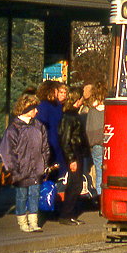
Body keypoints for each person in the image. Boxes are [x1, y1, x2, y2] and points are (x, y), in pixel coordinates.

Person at [0, 93, 50, 233]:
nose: (37, 111)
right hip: (20, 170)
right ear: (27, 109)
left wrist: (44, 164)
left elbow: (45, 147)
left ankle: (34, 222)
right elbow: (7, 150)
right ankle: (22, 222)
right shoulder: (14, 128)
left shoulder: (39, 126)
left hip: (36, 169)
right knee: (21, 196)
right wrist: (13, 168)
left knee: (34, 195)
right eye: (34, 109)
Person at [57, 88, 87, 225]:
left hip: (76, 152)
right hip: (73, 153)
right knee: (74, 184)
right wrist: (71, 159)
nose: (82, 100)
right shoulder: (69, 117)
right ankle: (66, 214)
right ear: (77, 100)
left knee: (76, 184)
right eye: (81, 98)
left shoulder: (72, 115)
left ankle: (70, 213)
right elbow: (66, 140)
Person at [35, 79, 68, 177]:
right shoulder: (46, 106)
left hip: (54, 143)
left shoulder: (53, 106)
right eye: (56, 90)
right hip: (50, 144)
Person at [83, 81, 106, 198]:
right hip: (109, 143)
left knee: (99, 170)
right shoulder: (110, 110)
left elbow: (88, 129)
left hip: (96, 144)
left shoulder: (92, 111)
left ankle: (99, 195)